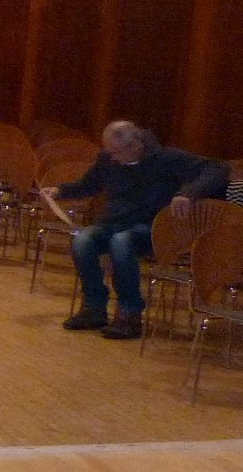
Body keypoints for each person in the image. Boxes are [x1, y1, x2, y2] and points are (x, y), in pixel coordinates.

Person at [44, 120, 230, 339]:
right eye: (109, 152)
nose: (112, 159)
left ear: (136, 146)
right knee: (83, 241)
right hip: (113, 223)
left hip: (151, 228)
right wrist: (59, 191)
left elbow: (218, 169)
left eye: (116, 153)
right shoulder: (108, 159)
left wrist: (189, 193)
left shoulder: (166, 159)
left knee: (121, 242)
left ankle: (129, 313)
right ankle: (93, 308)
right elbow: (89, 184)